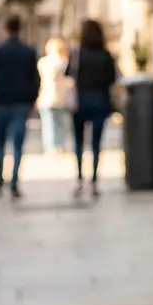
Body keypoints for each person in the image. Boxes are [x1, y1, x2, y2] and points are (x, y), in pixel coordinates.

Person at [0, 15, 40, 200]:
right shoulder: (28, 52)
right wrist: (32, 99)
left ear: (5, 29)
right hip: (21, 103)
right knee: (17, 144)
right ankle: (14, 181)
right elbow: (35, 80)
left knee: (0, 142)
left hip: (1, 102)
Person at [68, 20, 119, 199]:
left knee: (79, 142)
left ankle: (80, 179)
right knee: (96, 143)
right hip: (100, 101)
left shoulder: (77, 54)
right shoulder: (106, 55)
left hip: (80, 102)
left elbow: (69, 74)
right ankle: (94, 180)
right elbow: (113, 78)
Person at [36, 37, 73, 156]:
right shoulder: (63, 62)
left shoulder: (43, 62)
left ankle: (50, 147)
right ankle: (59, 146)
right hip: (59, 96)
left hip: (46, 96)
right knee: (60, 123)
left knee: (48, 123)